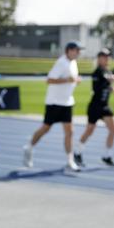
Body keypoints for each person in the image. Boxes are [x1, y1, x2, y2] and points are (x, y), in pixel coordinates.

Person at [23, 41, 83, 171]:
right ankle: (29, 146)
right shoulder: (61, 63)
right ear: (69, 50)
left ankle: (70, 160)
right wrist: (68, 80)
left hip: (67, 102)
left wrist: (76, 81)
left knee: (70, 132)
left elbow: (72, 79)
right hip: (54, 102)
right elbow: (49, 80)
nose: (79, 53)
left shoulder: (73, 63)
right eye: (77, 50)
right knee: (45, 128)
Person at [74, 48, 114, 167]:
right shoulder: (97, 72)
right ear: (99, 58)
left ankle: (107, 156)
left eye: (108, 57)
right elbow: (96, 89)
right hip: (95, 106)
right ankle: (77, 153)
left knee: (113, 130)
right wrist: (109, 82)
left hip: (104, 106)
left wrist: (111, 87)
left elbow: (107, 85)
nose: (107, 59)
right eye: (104, 57)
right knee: (89, 131)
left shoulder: (108, 71)